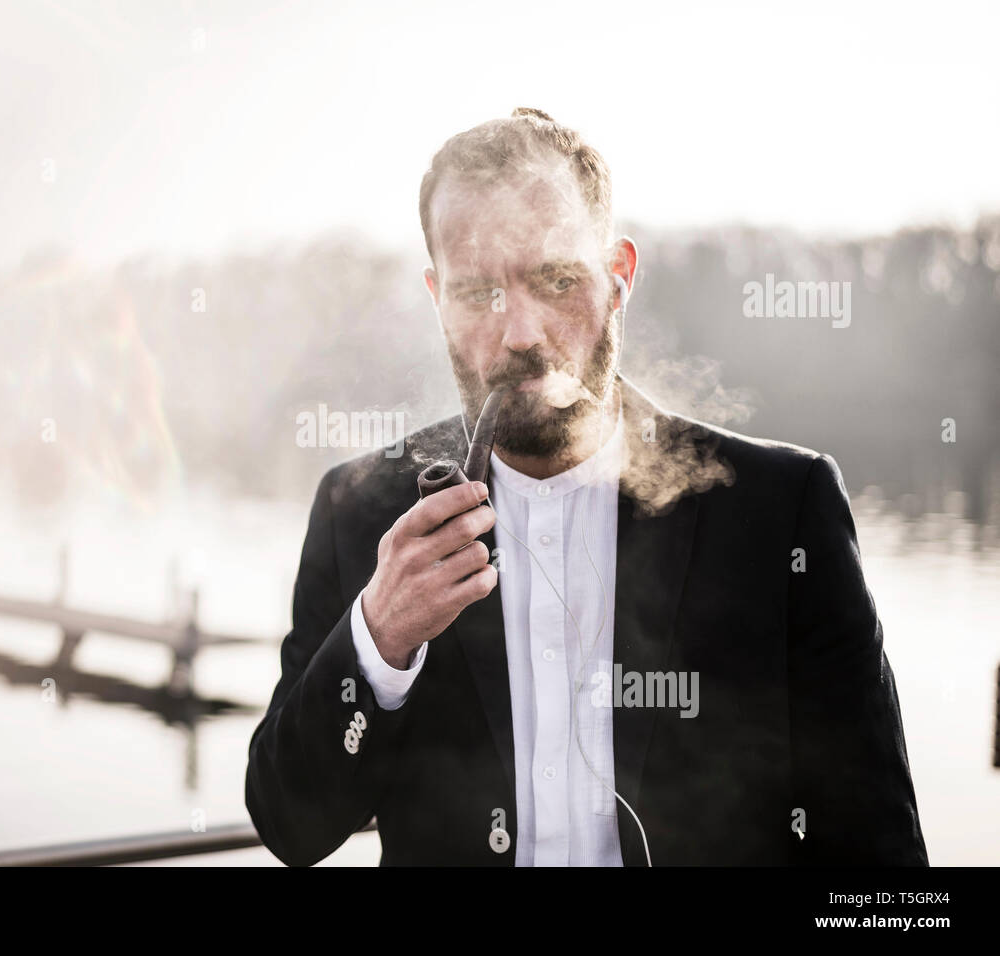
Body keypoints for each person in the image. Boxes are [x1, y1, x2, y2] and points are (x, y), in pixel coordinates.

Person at [245, 107, 928, 866]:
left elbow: (880, 863)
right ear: (438, 298)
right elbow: (290, 826)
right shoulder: (361, 510)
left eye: (557, 279)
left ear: (618, 278)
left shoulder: (781, 510)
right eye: (477, 294)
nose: (520, 335)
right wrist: (380, 639)